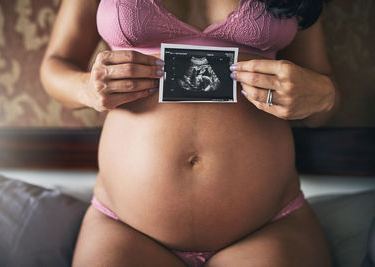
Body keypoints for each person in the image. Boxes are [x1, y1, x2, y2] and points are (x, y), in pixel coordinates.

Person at [40, 0, 339, 266]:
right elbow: (55, 65)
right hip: (125, 228)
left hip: (269, 228)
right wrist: (86, 88)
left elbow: (323, 98)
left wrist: (321, 95)